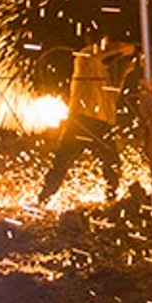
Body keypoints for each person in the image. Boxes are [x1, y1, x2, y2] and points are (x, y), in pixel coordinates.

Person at [37, 37, 138, 206]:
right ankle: (43, 199)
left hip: (101, 125)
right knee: (62, 162)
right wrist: (129, 48)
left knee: (112, 164)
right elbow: (106, 49)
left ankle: (111, 199)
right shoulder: (84, 57)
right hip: (81, 122)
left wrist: (125, 73)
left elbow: (112, 98)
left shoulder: (102, 73)